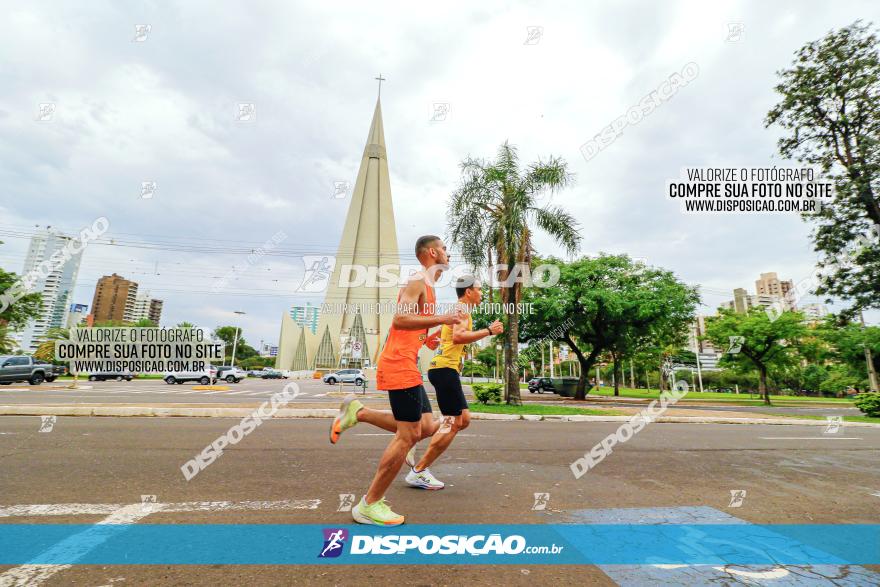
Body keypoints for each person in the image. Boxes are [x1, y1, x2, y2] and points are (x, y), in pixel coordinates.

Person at [329, 235, 464, 526]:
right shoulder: (417, 280)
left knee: (426, 426)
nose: (447, 253)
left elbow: (411, 326)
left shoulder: (428, 286)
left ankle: (359, 413)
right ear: (431, 252)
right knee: (408, 435)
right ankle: (370, 504)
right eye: (443, 249)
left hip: (408, 363)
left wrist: (427, 339)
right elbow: (400, 320)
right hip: (398, 365)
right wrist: (443, 319)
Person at [405, 276, 502, 489]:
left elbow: (446, 332)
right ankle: (418, 471)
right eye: (479, 289)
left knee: (463, 419)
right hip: (444, 370)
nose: (482, 293)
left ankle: (413, 440)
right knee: (453, 423)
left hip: (445, 370)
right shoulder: (462, 310)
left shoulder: (459, 310)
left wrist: (437, 336)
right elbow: (459, 336)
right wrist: (488, 331)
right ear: (469, 292)